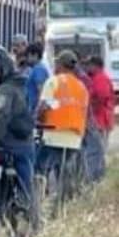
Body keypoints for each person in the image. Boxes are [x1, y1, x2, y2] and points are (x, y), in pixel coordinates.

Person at [0, 49, 35, 203]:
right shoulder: (21, 85)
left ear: (3, 70)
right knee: (28, 184)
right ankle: (33, 213)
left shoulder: (5, 90)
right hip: (24, 141)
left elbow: (2, 115)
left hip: (7, 142)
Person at [36, 50, 90, 179]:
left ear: (60, 65)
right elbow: (83, 112)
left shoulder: (54, 81)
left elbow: (44, 107)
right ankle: (65, 198)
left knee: (39, 170)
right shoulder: (82, 87)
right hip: (74, 138)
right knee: (66, 175)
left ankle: (43, 196)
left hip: (53, 136)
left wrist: (39, 120)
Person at [85, 56, 115, 144]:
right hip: (98, 120)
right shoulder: (95, 77)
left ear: (96, 66)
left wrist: (91, 113)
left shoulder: (100, 78)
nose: (87, 67)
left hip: (100, 120)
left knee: (98, 149)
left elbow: (101, 98)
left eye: (89, 65)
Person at [25, 42, 50, 116]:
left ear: (35, 55)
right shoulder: (37, 69)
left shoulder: (38, 69)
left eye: (28, 56)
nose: (27, 59)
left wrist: (37, 111)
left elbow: (41, 90)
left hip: (35, 111)